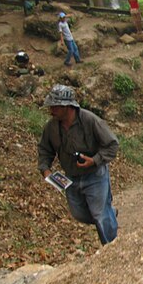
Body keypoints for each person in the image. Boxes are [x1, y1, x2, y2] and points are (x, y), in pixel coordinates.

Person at [38, 84, 119, 245]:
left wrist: (94, 160)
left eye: (55, 106)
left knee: (100, 215)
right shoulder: (51, 127)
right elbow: (45, 149)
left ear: (67, 107)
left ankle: (111, 250)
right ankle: (110, 213)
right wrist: (45, 169)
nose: (51, 110)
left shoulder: (91, 121)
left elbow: (112, 145)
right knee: (79, 214)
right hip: (71, 178)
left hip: (95, 175)